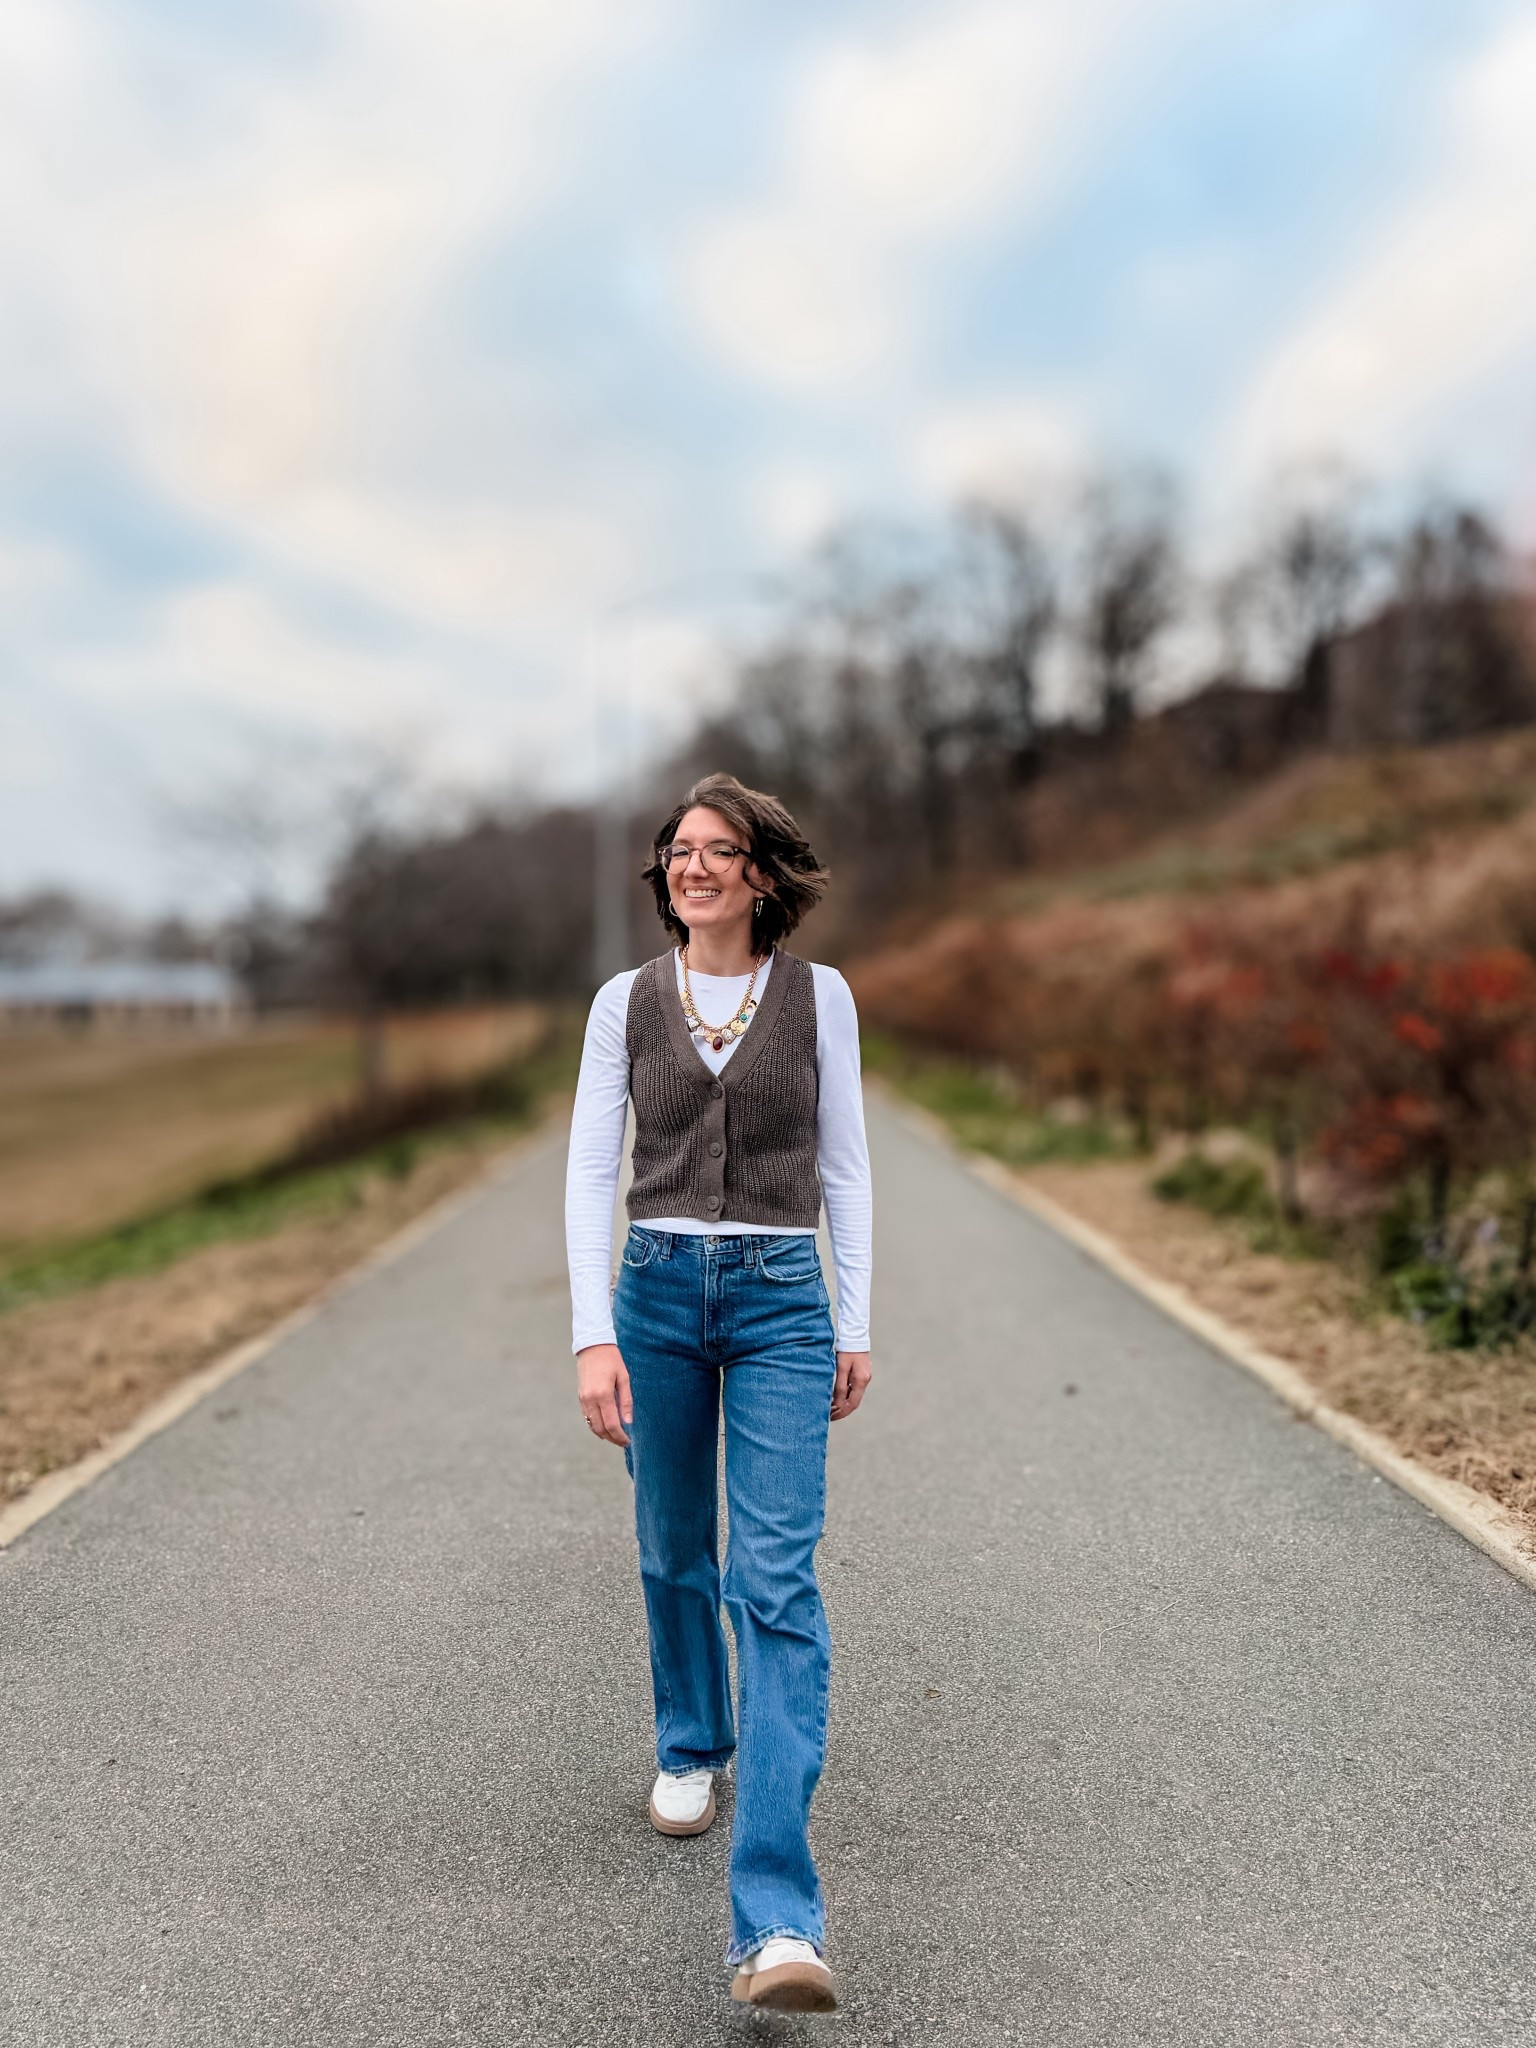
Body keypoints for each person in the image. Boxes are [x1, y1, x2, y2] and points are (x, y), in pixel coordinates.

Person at [564, 770, 873, 2014]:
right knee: (674, 1547)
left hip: (781, 1300)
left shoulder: (822, 998)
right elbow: (594, 1173)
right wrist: (596, 1335)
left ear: (762, 873)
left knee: (778, 1577)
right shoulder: (623, 1001)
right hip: (655, 1294)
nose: (694, 866)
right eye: (678, 849)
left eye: (720, 849)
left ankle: (778, 1922)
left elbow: (846, 1165)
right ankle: (694, 1739)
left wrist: (856, 1318)